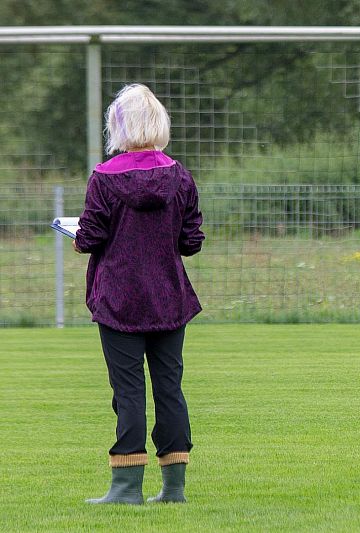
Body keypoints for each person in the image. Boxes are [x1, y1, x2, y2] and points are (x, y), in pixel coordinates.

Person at [74, 84, 204, 504]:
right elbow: (191, 241)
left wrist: (78, 239)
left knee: (128, 391)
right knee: (170, 388)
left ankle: (126, 487)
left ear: (119, 126)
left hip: (118, 301)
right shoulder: (179, 175)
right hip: (169, 298)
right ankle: (174, 488)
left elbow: (91, 236)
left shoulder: (103, 178)